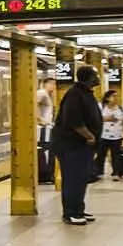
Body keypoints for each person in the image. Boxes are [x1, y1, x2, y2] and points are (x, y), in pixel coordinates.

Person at [51, 66, 103, 225]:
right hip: (71, 145)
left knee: (81, 179)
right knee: (73, 179)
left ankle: (78, 209)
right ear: (88, 78)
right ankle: (71, 212)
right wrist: (89, 136)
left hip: (81, 146)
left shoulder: (85, 93)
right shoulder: (74, 94)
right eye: (96, 75)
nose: (98, 77)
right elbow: (73, 121)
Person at [99, 90, 123, 179]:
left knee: (116, 154)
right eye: (113, 96)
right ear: (107, 98)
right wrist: (107, 118)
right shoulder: (101, 107)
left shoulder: (119, 108)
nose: (115, 98)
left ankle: (116, 172)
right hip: (103, 134)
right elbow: (96, 118)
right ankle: (98, 171)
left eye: (116, 96)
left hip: (117, 135)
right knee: (101, 154)